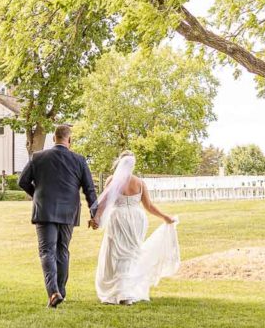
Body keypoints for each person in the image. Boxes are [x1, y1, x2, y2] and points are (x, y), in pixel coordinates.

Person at [18, 124, 98, 308]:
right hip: (69, 211)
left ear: (53, 138)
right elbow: (90, 190)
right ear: (69, 140)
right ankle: (60, 291)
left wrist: (36, 194)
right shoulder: (79, 160)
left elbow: (22, 181)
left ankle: (54, 292)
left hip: (44, 210)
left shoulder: (38, 157)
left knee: (47, 251)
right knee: (62, 251)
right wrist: (95, 214)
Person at [92, 151, 180, 305]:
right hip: (137, 219)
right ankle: (125, 291)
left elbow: (104, 203)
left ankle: (122, 292)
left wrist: (96, 218)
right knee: (130, 254)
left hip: (118, 218)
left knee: (117, 254)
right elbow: (149, 206)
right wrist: (165, 217)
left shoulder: (112, 180)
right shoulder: (139, 182)